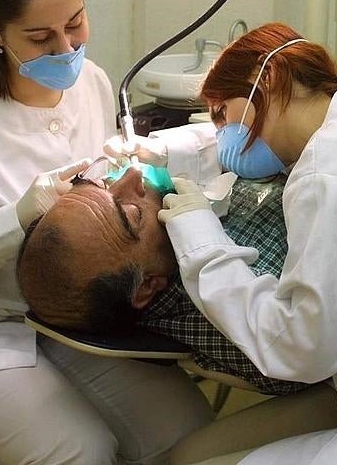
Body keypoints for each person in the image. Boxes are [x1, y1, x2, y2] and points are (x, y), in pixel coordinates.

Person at [0, 0, 212, 465]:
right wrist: (18, 218)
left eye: (75, 25)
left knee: (187, 433)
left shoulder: (91, 81)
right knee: (80, 452)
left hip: (73, 321)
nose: (67, 47)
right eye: (41, 38)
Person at [153, 21, 337, 464]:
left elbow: (299, 346)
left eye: (221, 115)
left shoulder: (329, 172)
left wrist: (202, 245)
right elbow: (233, 142)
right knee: (187, 454)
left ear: (265, 80)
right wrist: (156, 150)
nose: (222, 134)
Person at [17, 168, 320, 396]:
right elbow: (301, 359)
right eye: (132, 213)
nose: (133, 175)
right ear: (147, 285)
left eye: (102, 183)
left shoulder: (163, 242)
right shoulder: (219, 316)